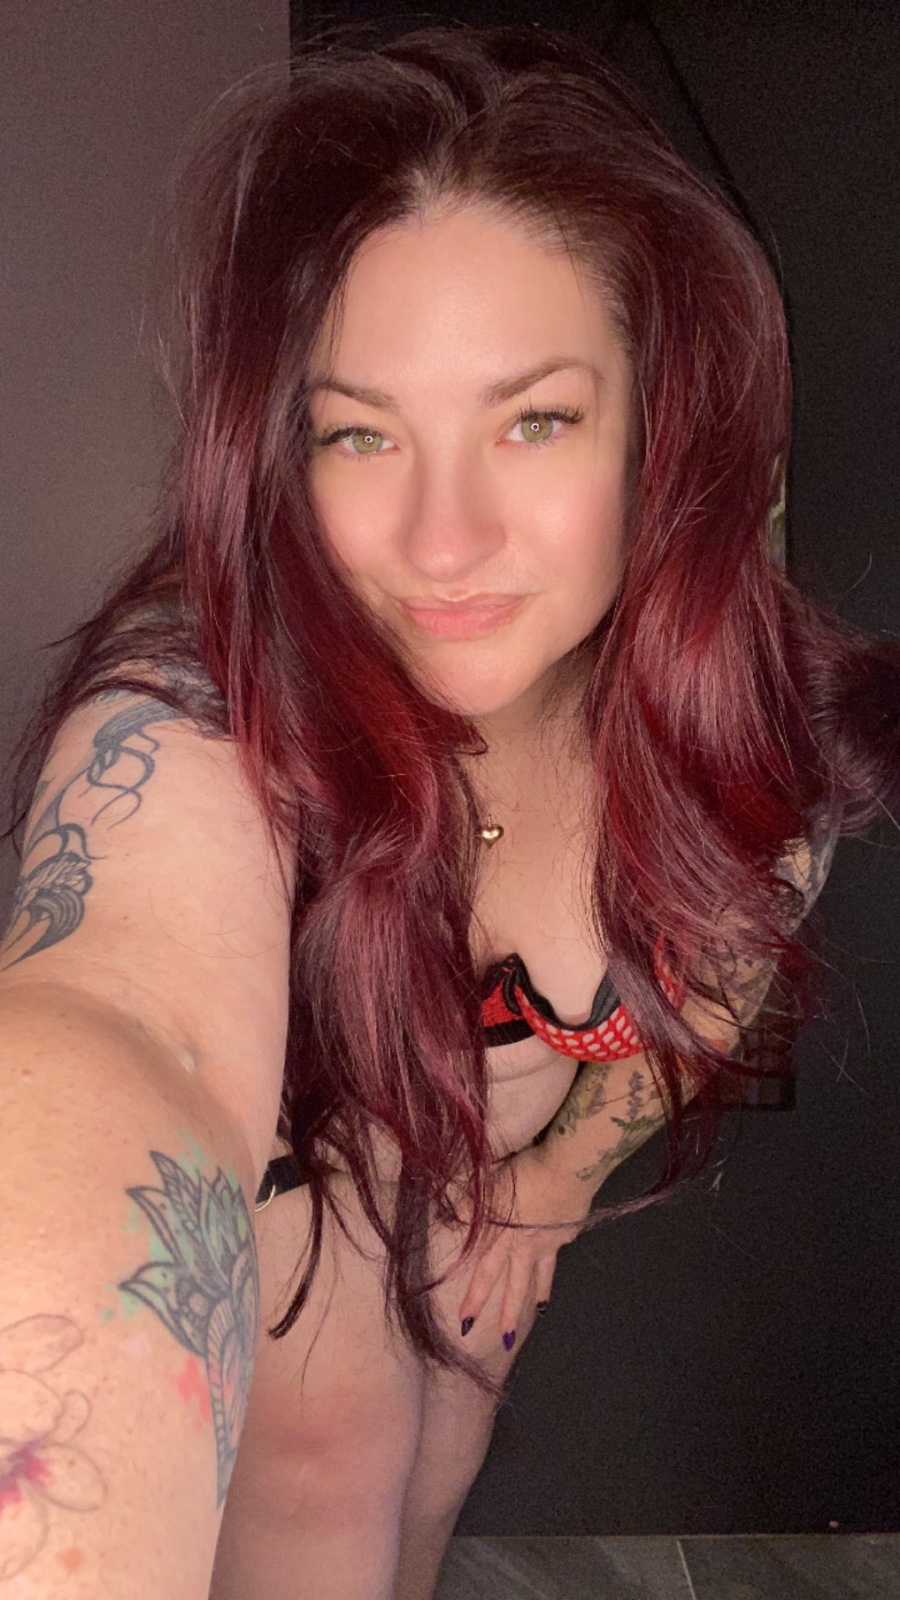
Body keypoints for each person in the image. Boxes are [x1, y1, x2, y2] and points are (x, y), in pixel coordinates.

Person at [1, 23, 897, 1600]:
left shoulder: (735, 728)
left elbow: (725, 961)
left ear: (661, 428)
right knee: (333, 1450)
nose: (442, 539)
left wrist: (554, 1184)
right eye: (361, 432)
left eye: (533, 419)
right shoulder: (199, 712)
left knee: (444, 1438)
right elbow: (118, 1034)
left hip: (477, 1175)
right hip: (310, 1157)